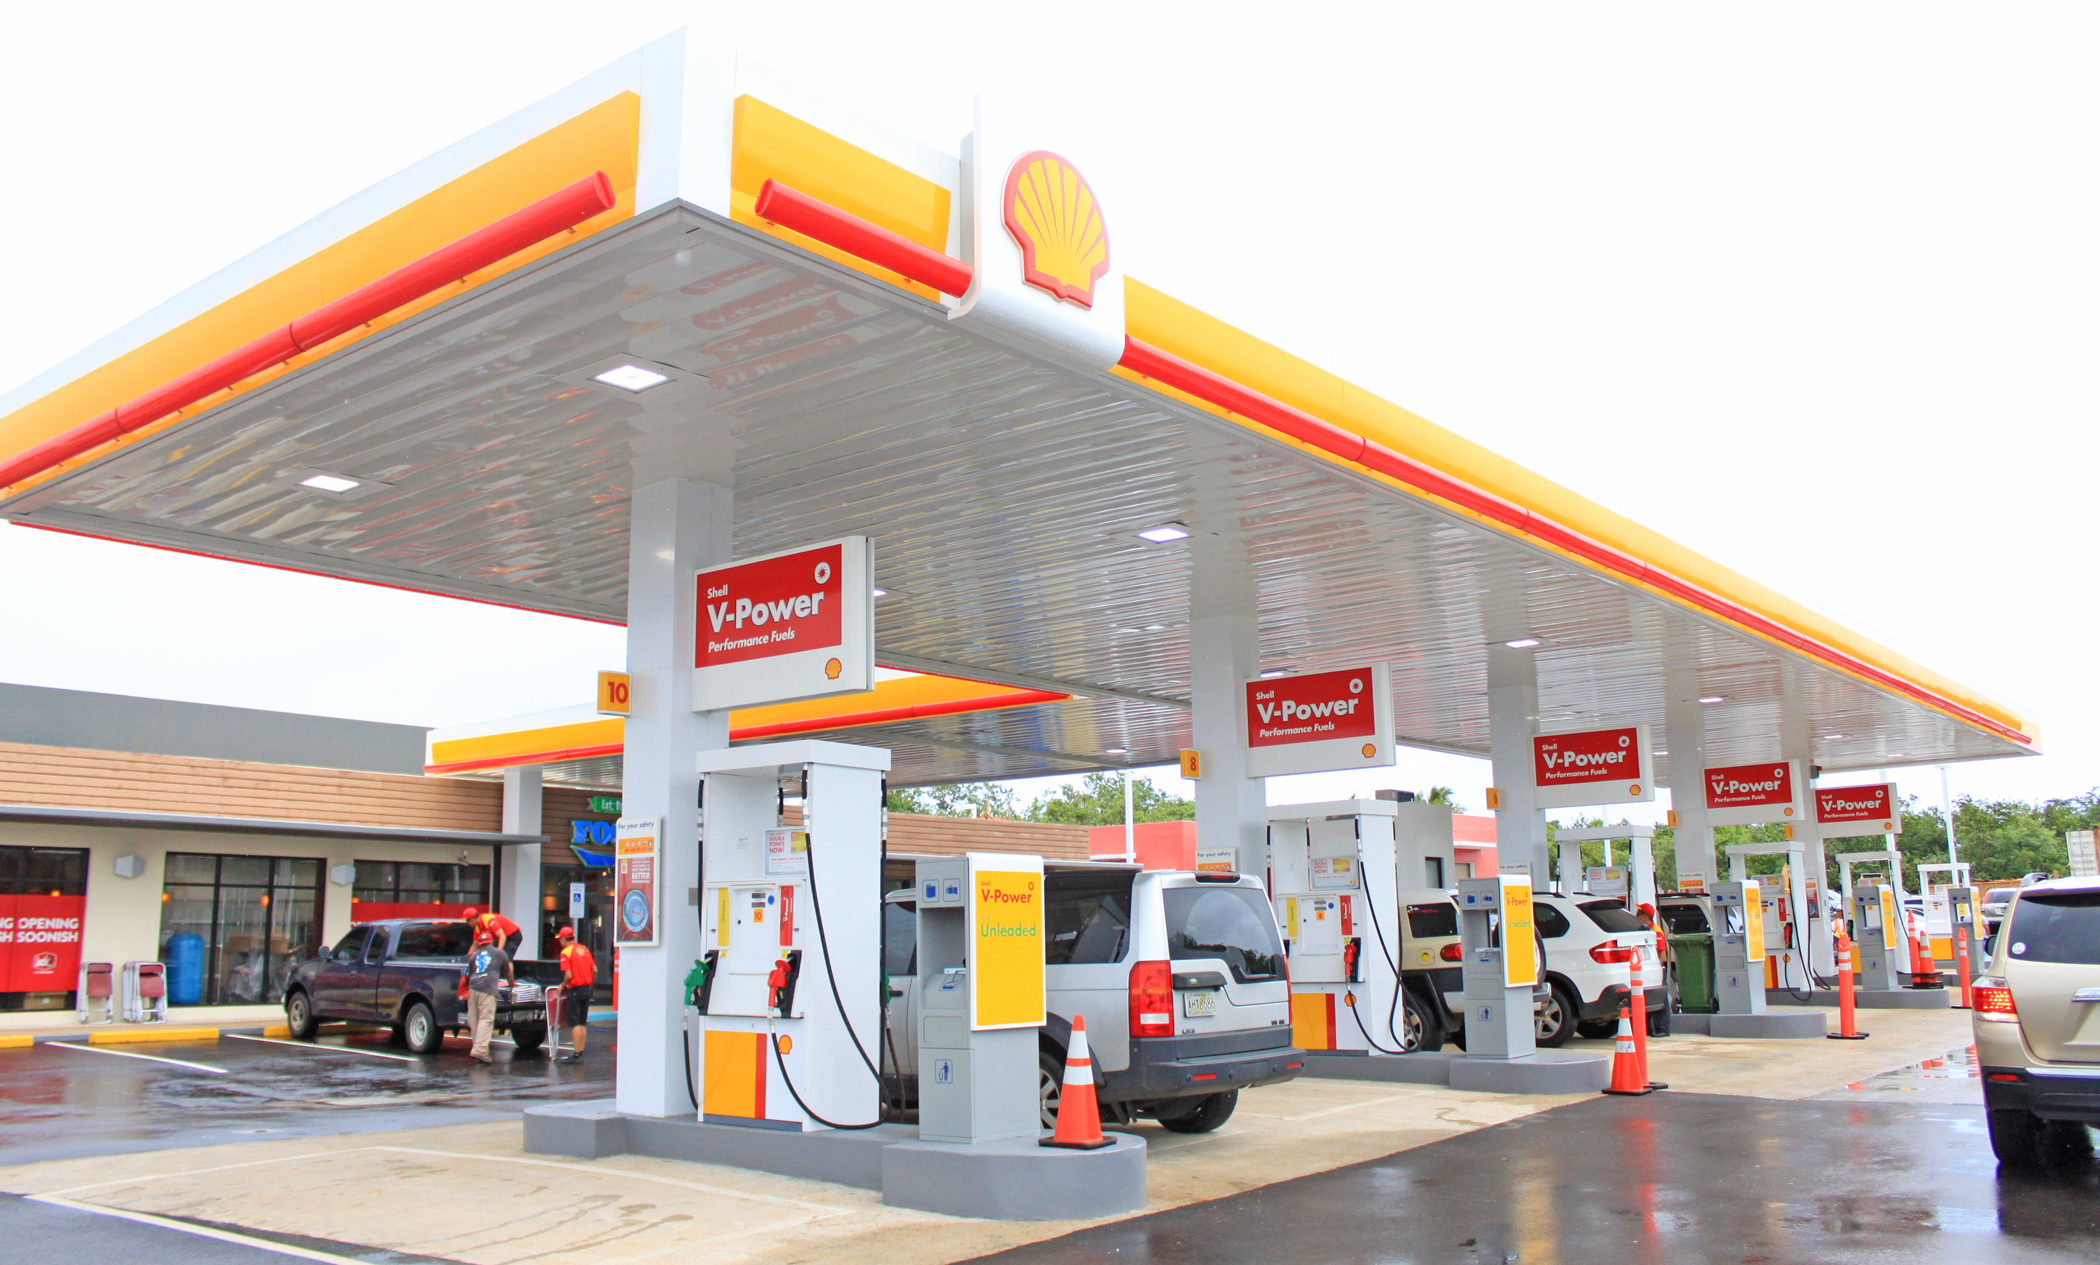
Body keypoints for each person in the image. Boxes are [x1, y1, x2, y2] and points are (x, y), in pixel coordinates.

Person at [465, 927, 513, 1064]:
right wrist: (512, 984)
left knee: (474, 1020)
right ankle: (480, 1050)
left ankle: (479, 1050)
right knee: (486, 1019)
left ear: (480, 944)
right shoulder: (499, 953)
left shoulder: (474, 956)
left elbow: (469, 975)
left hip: (473, 989)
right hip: (487, 990)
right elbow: (507, 972)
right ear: (492, 942)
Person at [555, 924, 596, 1063]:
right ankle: (581, 1051)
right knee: (583, 1022)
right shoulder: (584, 949)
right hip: (586, 989)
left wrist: (563, 985)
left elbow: (568, 975)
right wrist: (589, 983)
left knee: (575, 1023)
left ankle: (576, 1053)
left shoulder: (566, 952)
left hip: (575, 990)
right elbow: (594, 969)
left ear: (563, 939)